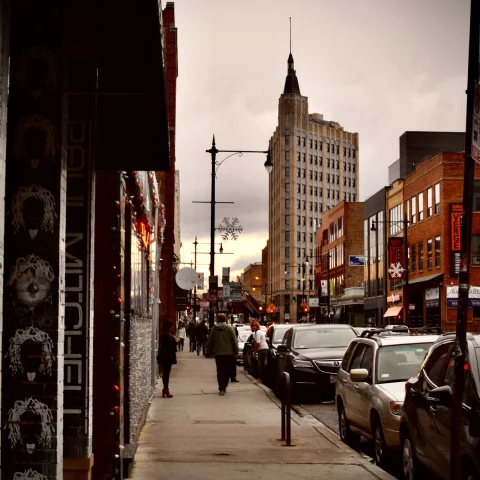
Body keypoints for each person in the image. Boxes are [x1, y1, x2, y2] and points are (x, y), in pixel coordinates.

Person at [206, 313, 238, 395]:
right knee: (227, 370)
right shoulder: (230, 328)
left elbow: (210, 341)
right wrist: (235, 352)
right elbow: (234, 341)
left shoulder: (214, 329)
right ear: (225, 319)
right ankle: (225, 385)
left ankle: (221, 388)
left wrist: (209, 351)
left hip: (219, 353)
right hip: (229, 353)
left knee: (220, 370)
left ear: (218, 319)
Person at [157, 320, 179, 398]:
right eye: (171, 326)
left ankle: (165, 389)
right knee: (166, 373)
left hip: (166, 356)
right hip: (167, 356)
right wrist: (175, 342)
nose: (172, 327)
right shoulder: (166, 335)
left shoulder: (165, 334)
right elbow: (168, 346)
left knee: (166, 373)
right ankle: (166, 389)